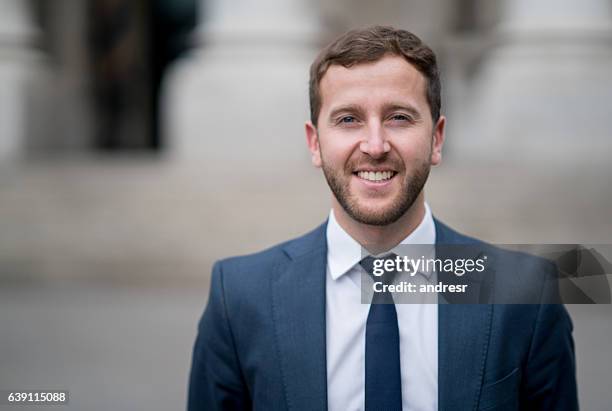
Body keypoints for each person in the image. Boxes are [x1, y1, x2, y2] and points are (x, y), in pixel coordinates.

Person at [187, 26, 578, 411]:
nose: (375, 146)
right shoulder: (238, 296)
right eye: (348, 119)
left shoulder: (526, 291)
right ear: (314, 143)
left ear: (437, 139)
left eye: (399, 118)